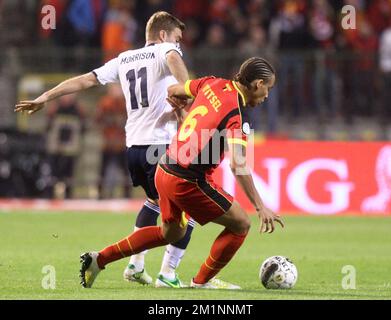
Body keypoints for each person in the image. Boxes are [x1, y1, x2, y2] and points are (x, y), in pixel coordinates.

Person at [15, 11, 196, 288]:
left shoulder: (125, 58)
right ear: (163, 35)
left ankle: (136, 266)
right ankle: (168, 274)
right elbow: (173, 58)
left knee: (153, 202)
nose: (179, 45)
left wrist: (46, 96)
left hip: (134, 148)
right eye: (177, 38)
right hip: (159, 147)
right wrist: (188, 90)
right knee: (190, 208)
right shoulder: (166, 50)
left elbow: (85, 80)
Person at [78, 57, 284, 289]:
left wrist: (182, 114)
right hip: (188, 180)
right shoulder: (238, 116)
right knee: (241, 224)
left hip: (164, 169)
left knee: (171, 233)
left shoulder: (211, 83)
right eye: (268, 88)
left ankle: (99, 259)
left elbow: (174, 90)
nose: (267, 95)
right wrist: (259, 206)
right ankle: (201, 282)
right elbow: (239, 164)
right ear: (257, 84)